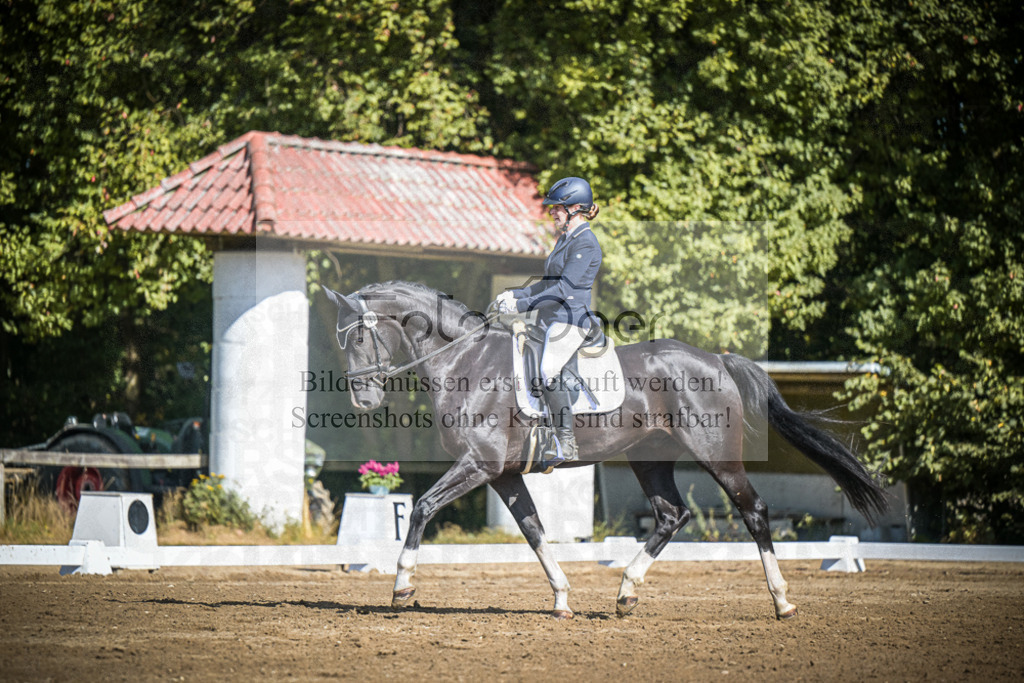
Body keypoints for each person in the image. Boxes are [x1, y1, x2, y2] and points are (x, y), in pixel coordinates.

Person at [491, 176, 602, 464]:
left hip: (571, 321)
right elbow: (547, 283)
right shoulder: (566, 239)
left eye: (558, 208)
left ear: (576, 208)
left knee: (550, 370)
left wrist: (522, 305)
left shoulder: (586, 243)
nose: (552, 212)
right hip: (549, 320)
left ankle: (566, 442)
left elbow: (564, 290)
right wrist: (515, 294)